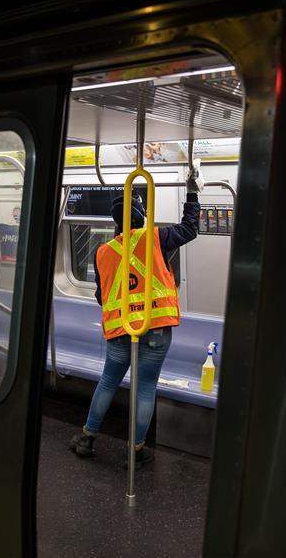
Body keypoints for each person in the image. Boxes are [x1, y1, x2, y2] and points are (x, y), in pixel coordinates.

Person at [70, 165, 204, 467]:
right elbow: (190, 228)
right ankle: (137, 449)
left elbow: (101, 296)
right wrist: (193, 192)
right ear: (143, 215)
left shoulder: (103, 252)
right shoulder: (157, 238)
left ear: (115, 221)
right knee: (145, 388)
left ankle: (87, 437)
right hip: (155, 329)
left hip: (120, 330)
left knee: (108, 381)